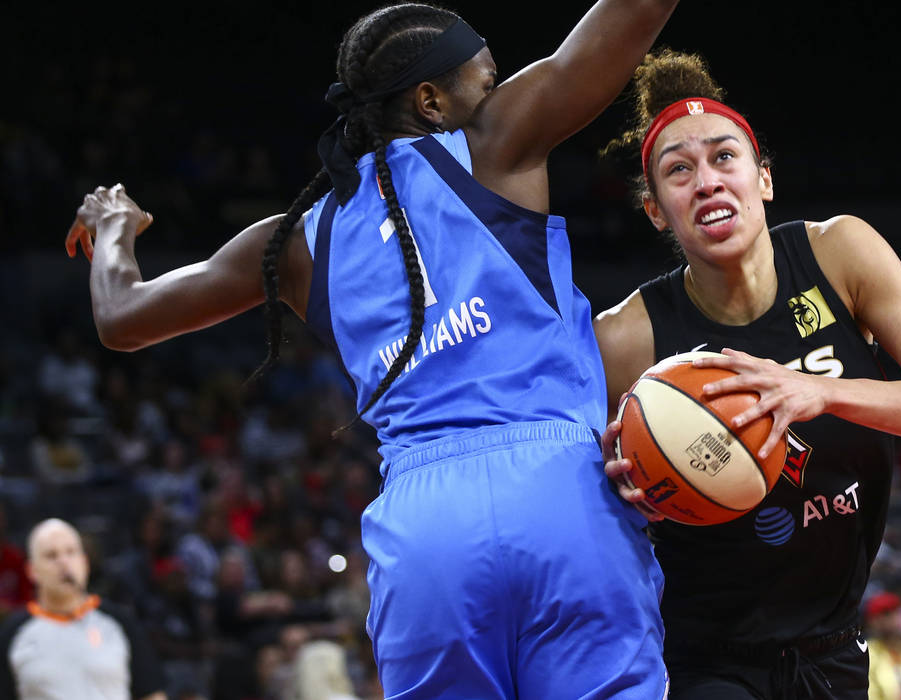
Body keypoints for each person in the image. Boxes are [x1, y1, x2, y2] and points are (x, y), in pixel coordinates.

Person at [64, 2, 680, 697]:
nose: (497, 92)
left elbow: (122, 318)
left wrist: (112, 229)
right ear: (431, 100)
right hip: (560, 493)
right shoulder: (493, 143)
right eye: (487, 79)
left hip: (425, 531)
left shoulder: (298, 240)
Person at [594, 49, 901, 699]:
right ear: (654, 211)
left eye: (725, 157)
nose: (706, 181)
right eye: (678, 170)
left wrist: (822, 390)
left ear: (764, 180)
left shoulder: (840, 254)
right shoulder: (624, 336)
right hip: (701, 658)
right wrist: (606, 488)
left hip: (835, 646)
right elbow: (574, 490)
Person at [0, 518, 166, 700]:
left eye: (71, 552)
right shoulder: (13, 633)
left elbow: (152, 694)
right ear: (32, 570)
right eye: (51, 556)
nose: (63, 563)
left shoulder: (120, 622)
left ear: (85, 563)